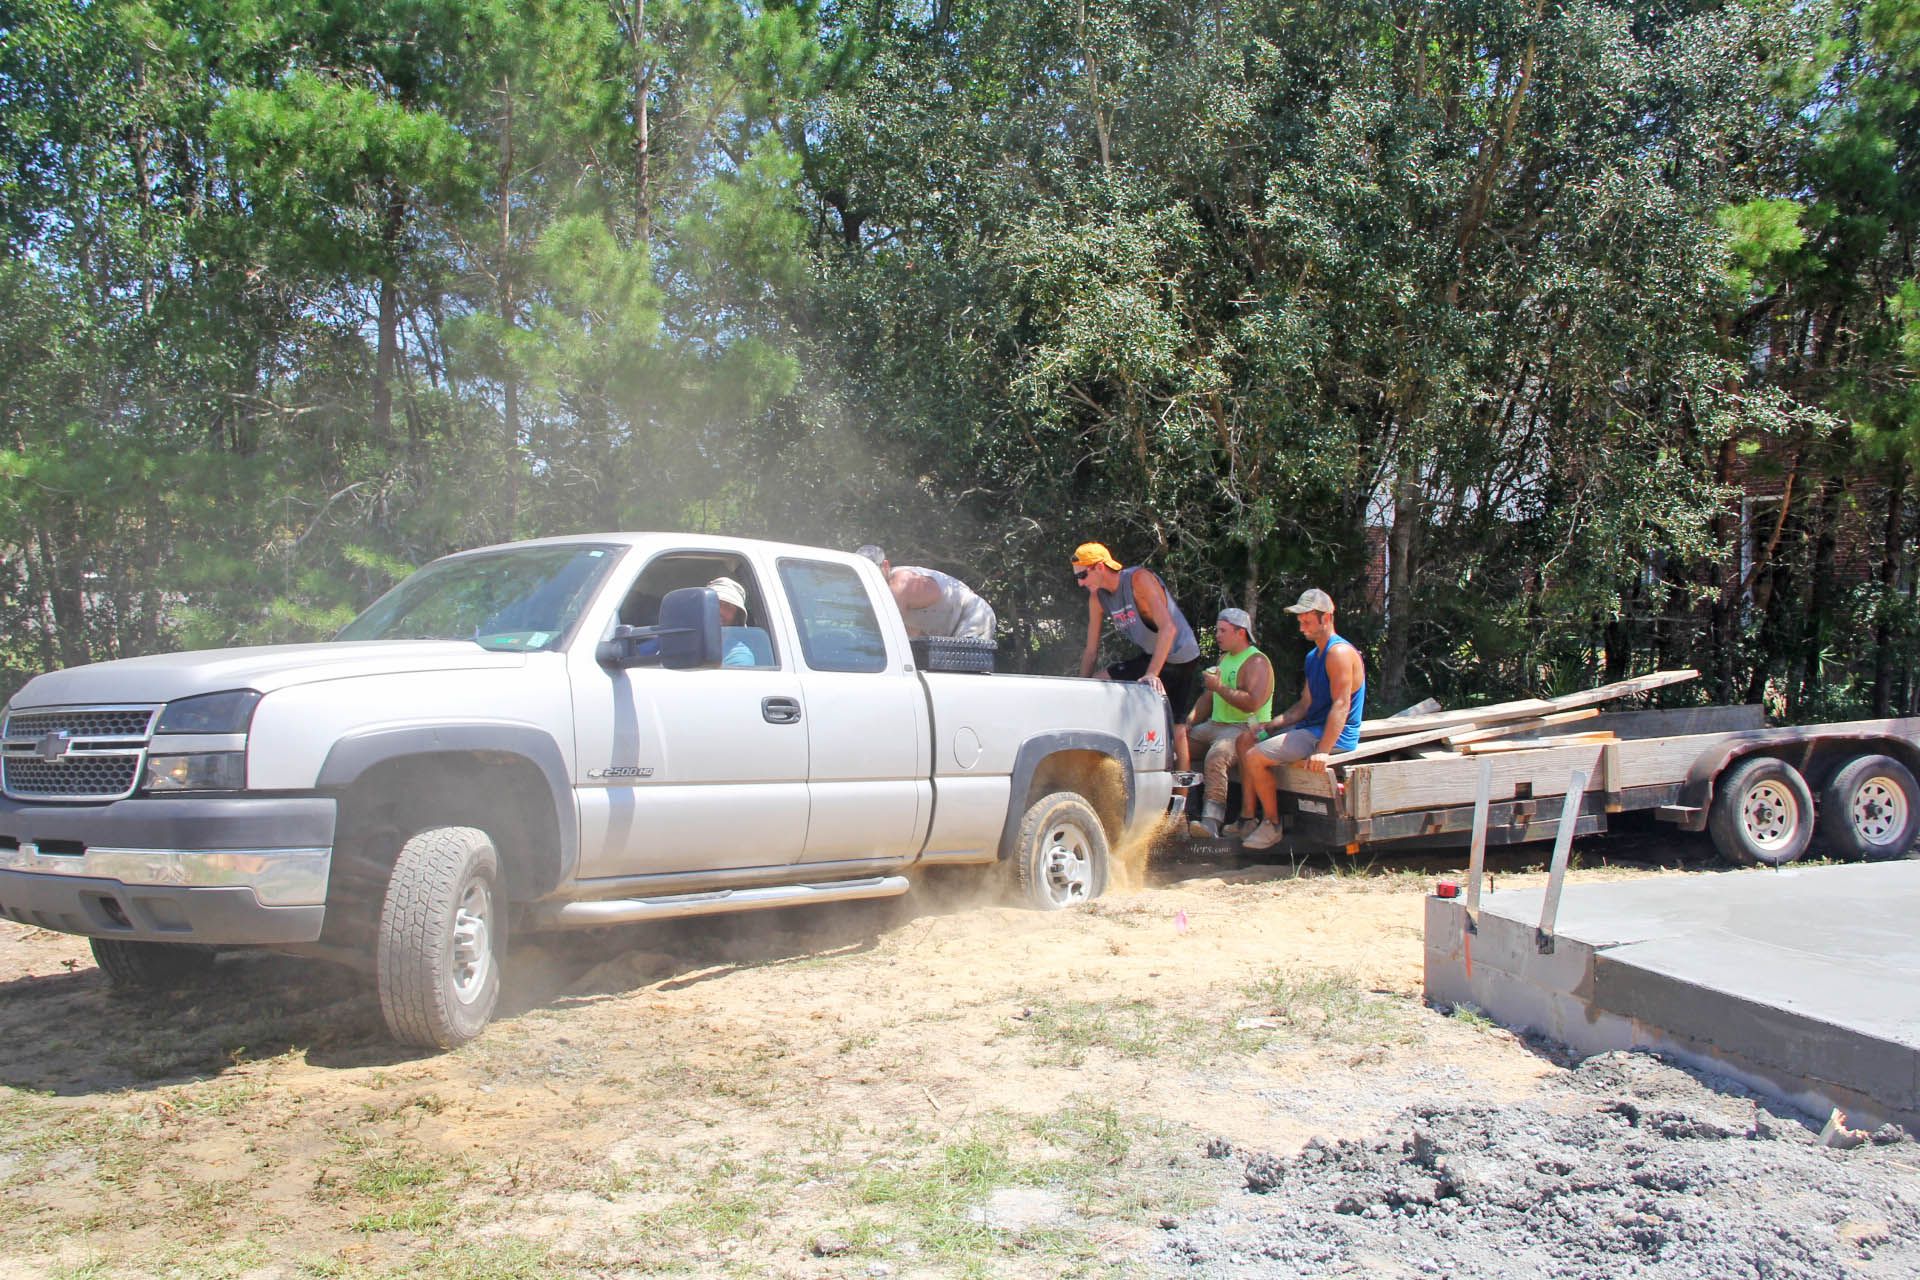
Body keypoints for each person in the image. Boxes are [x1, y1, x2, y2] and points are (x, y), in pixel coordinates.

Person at [1235, 588, 1367, 851]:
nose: (1301, 626)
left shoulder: (1338, 653)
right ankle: (1248, 818)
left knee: (1254, 756)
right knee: (1245, 739)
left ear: (1327, 618)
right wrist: (1270, 725)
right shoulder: (1313, 656)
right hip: (1310, 728)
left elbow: (1341, 705)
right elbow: (1305, 705)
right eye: (1300, 620)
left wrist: (1323, 751)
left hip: (1330, 734)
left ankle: (1272, 825)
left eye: (1307, 620)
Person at [1072, 541, 1201, 775]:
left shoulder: (1138, 580)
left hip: (1181, 655)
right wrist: (1081, 688)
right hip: (1154, 655)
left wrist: (1152, 673)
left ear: (1099, 567)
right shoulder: (1097, 599)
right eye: (1077, 578)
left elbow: (1169, 629)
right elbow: (1091, 650)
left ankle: (1182, 807)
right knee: (1097, 682)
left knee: (1178, 728)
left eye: (1082, 575)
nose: (1080, 583)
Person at [1184, 608, 1274, 839]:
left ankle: (1211, 822)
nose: (1217, 635)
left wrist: (1219, 687)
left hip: (1244, 728)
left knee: (1217, 756)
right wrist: (1191, 720)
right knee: (1178, 747)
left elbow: (1252, 703)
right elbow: (1209, 697)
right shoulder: (1224, 659)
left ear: (1240, 632)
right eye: (1218, 630)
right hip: (1215, 724)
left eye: (1223, 631)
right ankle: (1184, 813)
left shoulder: (1257, 662)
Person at [854, 545, 998, 641]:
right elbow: (913, 633)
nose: (869, 576)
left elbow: (885, 633)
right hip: (947, 629)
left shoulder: (900, 586)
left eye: (872, 570)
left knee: (963, 674)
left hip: (972, 614)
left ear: (885, 566)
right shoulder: (876, 591)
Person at [708, 576, 760, 668]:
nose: (720, 611)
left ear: (736, 616)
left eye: (728, 606)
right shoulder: (685, 639)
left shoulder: (739, 655)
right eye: (715, 602)